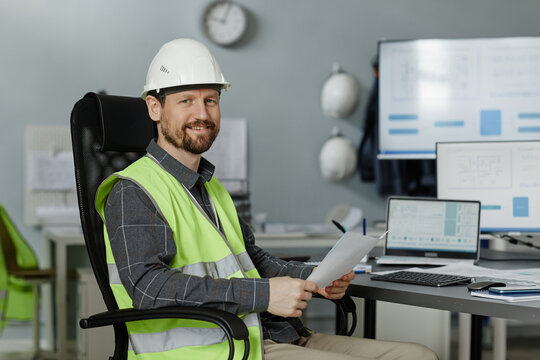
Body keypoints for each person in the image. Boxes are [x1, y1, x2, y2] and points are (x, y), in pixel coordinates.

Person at [96, 38, 438, 360]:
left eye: (210, 100)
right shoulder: (133, 190)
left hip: (267, 335)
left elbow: (253, 260)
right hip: (218, 350)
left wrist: (315, 277)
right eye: (186, 101)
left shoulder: (209, 187)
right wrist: (265, 295)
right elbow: (148, 287)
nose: (202, 113)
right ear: (155, 108)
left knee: (419, 355)